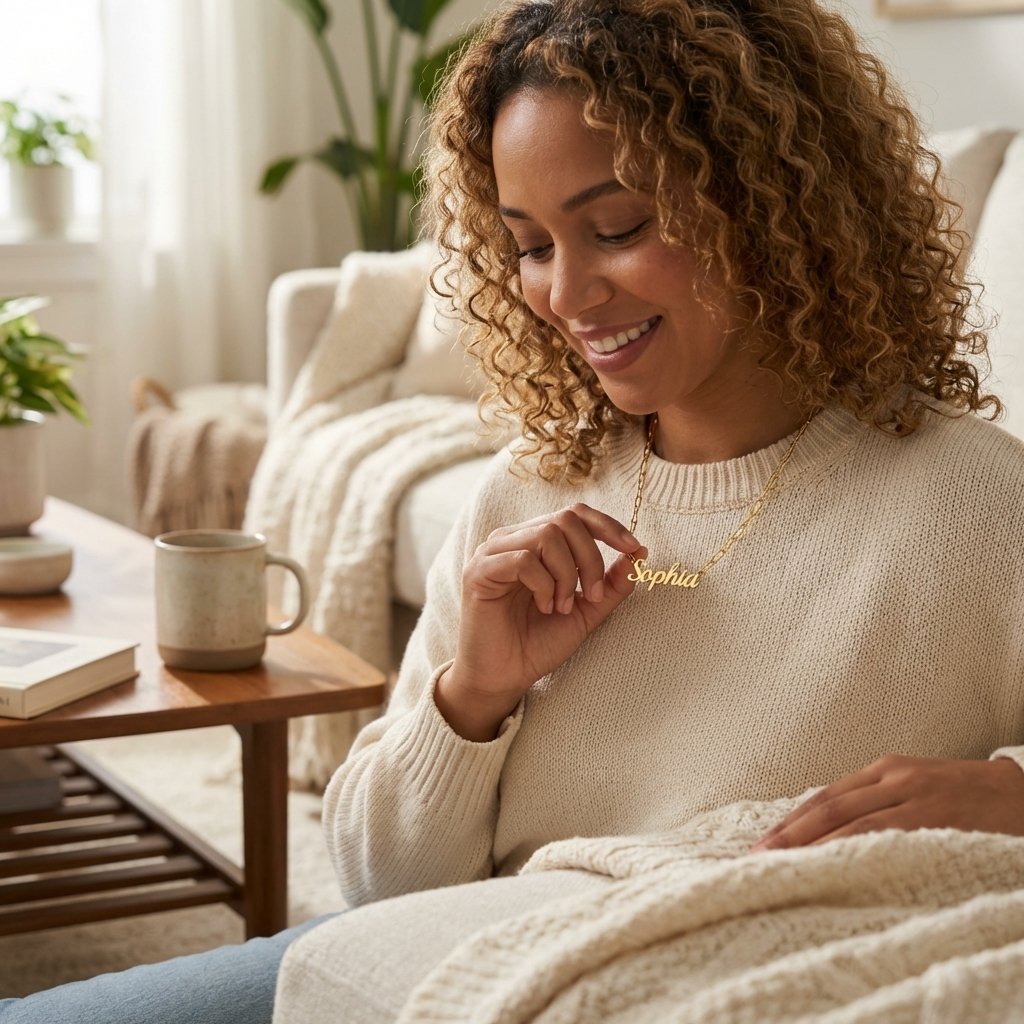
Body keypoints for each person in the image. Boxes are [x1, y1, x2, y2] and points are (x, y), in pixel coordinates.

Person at [4, 0, 1023, 1020]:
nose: (566, 294)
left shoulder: (975, 502)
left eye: (616, 229)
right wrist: (473, 693)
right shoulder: (529, 485)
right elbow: (378, 886)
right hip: (447, 962)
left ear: (770, 205)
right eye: (530, 245)